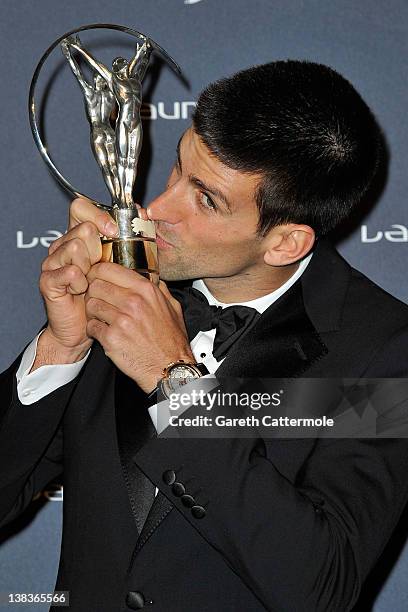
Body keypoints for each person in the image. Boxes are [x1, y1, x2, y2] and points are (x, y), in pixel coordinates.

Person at [1, 60, 408, 612]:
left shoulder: (383, 350)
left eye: (206, 199)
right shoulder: (125, 282)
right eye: (177, 168)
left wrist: (174, 381)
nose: (159, 208)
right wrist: (61, 345)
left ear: (285, 243)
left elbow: (319, 585)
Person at [67, 36, 153, 207]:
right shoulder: (114, 82)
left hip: (134, 125)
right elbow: (94, 65)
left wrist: (146, 51)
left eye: (123, 63)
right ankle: (120, 198)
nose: (122, 66)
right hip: (120, 124)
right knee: (118, 163)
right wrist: (77, 49)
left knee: (132, 161)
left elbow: (142, 66)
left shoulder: (135, 82)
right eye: (119, 65)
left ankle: (126, 196)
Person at [61, 36, 121, 204]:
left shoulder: (90, 93)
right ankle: (118, 199)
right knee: (115, 169)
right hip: (110, 132)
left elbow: (78, 74)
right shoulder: (111, 95)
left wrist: (68, 54)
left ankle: (116, 199)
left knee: (106, 168)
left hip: (98, 132)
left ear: (95, 81)